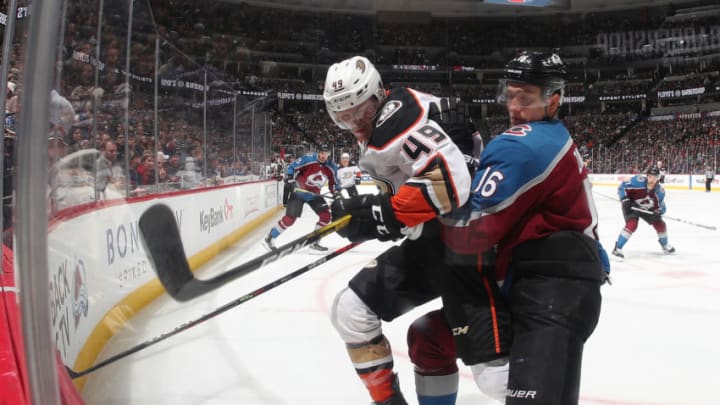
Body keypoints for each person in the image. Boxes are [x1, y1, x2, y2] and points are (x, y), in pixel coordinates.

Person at [324, 56, 510, 405]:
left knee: (495, 377)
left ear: (378, 94)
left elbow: (451, 179)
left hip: (469, 245)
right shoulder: (392, 115)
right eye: (342, 116)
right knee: (352, 310)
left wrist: (385, 214)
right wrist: (379, 213)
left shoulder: (397, 119)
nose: (355, 123)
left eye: (360, 111)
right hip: (437, 240)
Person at [441, 51, 610, 404]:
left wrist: (407, 208)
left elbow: (469, 232)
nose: (514, 107)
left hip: (551, 292)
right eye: (510, 94)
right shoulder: (549, 136)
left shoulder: (523, 143)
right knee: (427, 339)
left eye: (525, 98)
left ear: (554, 100)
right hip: (553, 286)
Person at [264, 143, 339, 252]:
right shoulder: (308, 159)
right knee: (290, 220)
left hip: (314, 195)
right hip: (299, 192)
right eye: (322, 153)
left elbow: (333, 184)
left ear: (329, 154)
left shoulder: (331, 167)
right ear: (318, 152)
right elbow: (292, 166)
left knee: (326, 216)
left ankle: (314, 241)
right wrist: (290, 176)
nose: (323, 156)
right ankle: (270, 237)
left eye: (326, 154)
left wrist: (335, 192)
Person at [612, 165, 675, 258]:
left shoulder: (660, 192)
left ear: (658, 178)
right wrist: (624, 198)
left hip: (647, 210)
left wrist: (659, 211)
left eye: (654, 177)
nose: (652, 179)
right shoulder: (638, 181)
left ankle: (665, 245)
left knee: (661, 224)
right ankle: (617, 248)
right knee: (632, 224)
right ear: (647, 176)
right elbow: (622, 187)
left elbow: (662, 207)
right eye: (650, 176)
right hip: (631, 205)